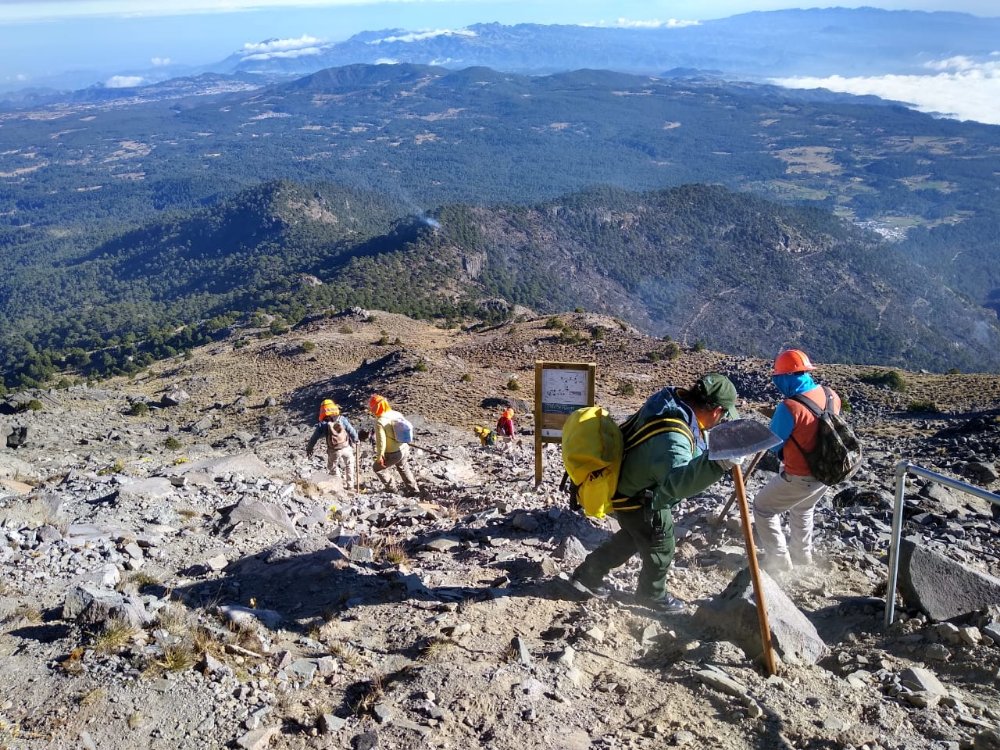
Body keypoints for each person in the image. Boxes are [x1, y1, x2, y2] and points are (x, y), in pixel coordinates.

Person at [570, 373, 742, 614]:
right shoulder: (674, 437)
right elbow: (677, 482)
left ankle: (587, 576)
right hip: (642, 497)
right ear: (716, 411)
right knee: (662, 542)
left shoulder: (670, 402)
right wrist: (718, 464)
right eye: (724, 414)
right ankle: (652, 594)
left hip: (626, 487)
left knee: (632, 537)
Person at [752, 349, 842, 572]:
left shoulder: (789, 407)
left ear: (786, 376)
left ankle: (779, 561)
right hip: (827, 472)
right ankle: (802, 555)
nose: (776, 382)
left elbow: (773, 444)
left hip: (800, 475)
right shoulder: (831, 395)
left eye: (777, 377)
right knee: (803, 509)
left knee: (763, 508)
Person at [368, 394, 420, 495]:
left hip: (393, 453)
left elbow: (381, 442)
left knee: (377, 468)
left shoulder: (380, 421)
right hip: (404, 448)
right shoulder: (396, 414)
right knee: (403, 468)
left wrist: (380, 457)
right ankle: (414, 491)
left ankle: (393, 490)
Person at [306, 399, 359, 489]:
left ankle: (338, 485)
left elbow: (314, 438)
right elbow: (351, 431)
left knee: (332, 467)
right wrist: (356, 440)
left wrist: (309, 448)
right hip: (346, 447)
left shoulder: (323, 424)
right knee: (349, 464)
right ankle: (350, 485)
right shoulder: (342, 419)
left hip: (334, 450)